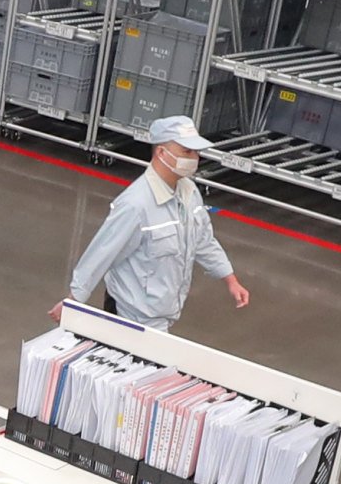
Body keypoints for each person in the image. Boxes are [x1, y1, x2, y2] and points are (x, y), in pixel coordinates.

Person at [67, 115, 250, 331]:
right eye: (187, 152)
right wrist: (73, 301)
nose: (195, 158)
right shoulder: (135, 204)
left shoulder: (190, 194)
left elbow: (203, 240)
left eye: (196, 152)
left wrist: (230, 279)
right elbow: (102, 252)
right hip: (130, 317)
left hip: (164, 316)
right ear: (162, 152)